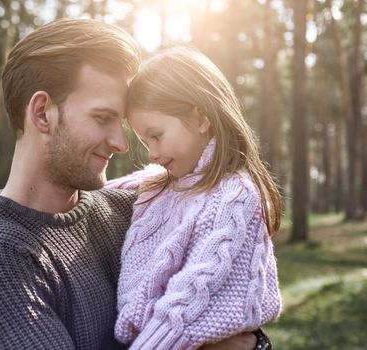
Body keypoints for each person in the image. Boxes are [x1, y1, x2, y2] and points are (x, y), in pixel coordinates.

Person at [0, 19, 268, 350]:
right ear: (43, 113)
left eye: (121, 123)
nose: (121, 143)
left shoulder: (137, 210)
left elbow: (230, 313)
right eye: (102, 118)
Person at [106, 46, 282, 349]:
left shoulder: (234, 198)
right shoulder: (167, 182)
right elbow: (104, 191)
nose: (152, 153)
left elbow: (182, 313)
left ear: (201, 118)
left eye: (156, 135)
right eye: (145, 141)